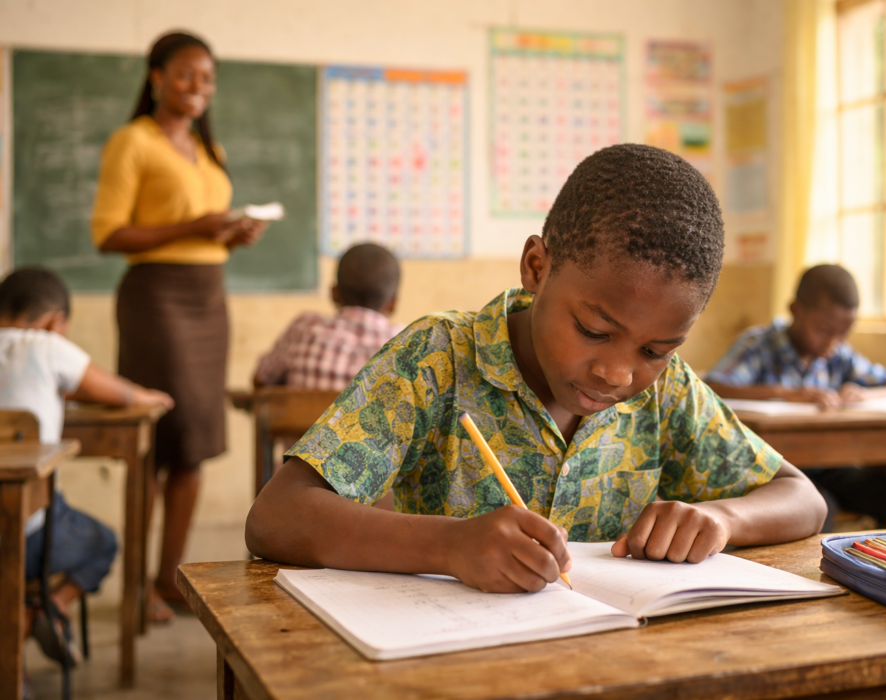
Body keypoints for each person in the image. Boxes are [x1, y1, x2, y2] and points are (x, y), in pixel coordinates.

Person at [245, 144, 827, 593]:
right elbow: (277, 516)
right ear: (536, 267)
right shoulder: (439, 358)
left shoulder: (666, 393)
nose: (618, 373)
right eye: (595, 331)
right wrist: (447, 546)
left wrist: (720, 518)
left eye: (655, 350)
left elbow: (801, 498)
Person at [91, 31, 268, 621]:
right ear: (157, 77)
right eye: (187, 75)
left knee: (193, 443)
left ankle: (168, 580)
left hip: (207, 297)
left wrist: (232, 235)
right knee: (156, 442)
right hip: (156, 300)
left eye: (208, 78)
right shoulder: (132, 142)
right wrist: (194, 227)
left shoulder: (203, 146)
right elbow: (108, 234)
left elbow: (204, 236)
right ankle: (136, 589)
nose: (199, 87)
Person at [0, 267, 173, 669]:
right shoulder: (44, 346)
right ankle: (40, 613)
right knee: (102, 542)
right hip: (27, 536)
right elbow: (121, 394)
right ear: (54, 322)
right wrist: (152, 397)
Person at [705, 264, 886, 531]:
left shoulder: (839, 355)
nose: (832, 341)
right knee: (820, 508)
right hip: (775, 471)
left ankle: (884, 569)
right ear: (795, 310)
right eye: (823, 329)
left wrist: (866, 394)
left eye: (843, 332)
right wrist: (784, 394)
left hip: (830, 466)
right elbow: (712, 387)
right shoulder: (759, 345)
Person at [254, 243, 403, 390]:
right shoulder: (407, 346)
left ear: (333, 293)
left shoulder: (303, 329)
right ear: (393, 303)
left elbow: (261, 381)